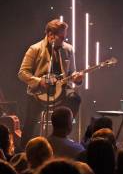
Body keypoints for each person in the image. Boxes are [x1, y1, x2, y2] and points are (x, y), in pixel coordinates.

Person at [18, 19, 83, 149]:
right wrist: (39, 81)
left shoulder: (68, 49)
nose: (64, 40)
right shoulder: (35, 49)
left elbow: (72, 72)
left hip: (62, 91)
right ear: (50, 34)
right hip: (39, 93)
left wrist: (77, 78)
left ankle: (60, 135)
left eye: (65, 37)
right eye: (61, 37)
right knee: (30, 123)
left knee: (75, 99)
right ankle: (23, 151)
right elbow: (22, 73)